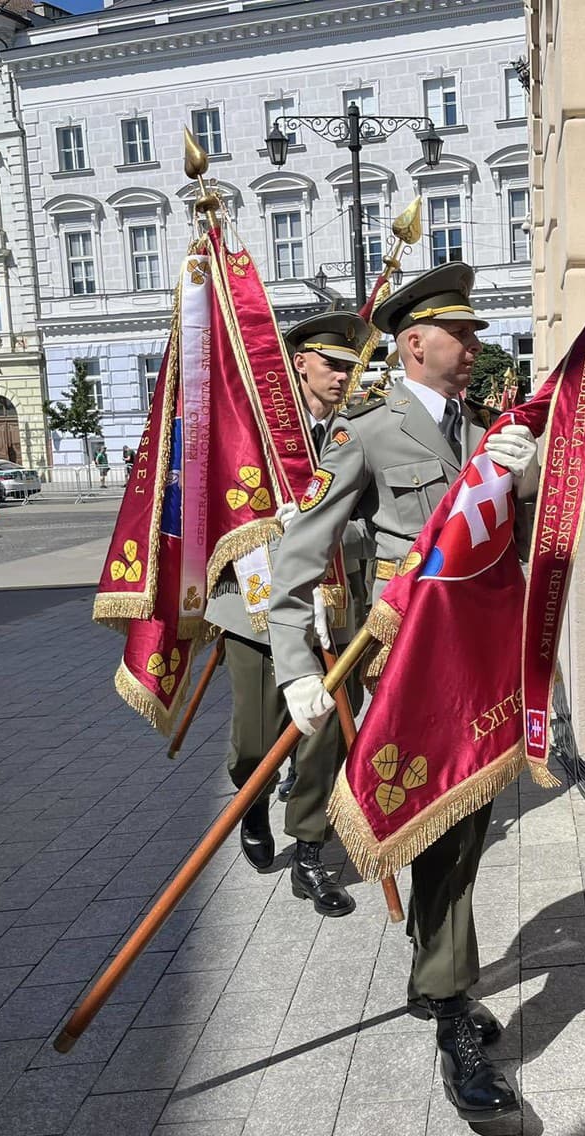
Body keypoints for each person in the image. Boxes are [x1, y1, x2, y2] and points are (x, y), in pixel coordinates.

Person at [267, 263, 538, 1123]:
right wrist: (296, 666)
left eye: (476, 338)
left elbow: (507, 546)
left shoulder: (483, 430)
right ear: (415, 343)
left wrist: (520, 479)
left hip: (479, 660)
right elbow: (301, 551)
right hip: (407, 665)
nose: (476, 352)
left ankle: (438, 982)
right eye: (463, 338)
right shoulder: (370, 433)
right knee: (449, 835)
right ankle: (452, 1009)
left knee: (460, 830)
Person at [204, 310, 371, 918]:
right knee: (256, 736)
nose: (344, 378)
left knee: (322, 735)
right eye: (334, 365)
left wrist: (322, 541)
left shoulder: (357, 433)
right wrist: (275, 531)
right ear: (300, 362)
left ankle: (308, 852)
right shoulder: (255, 432)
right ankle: (250, 798)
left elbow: (369, 524)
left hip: (330, 607)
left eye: (352, 368)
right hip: (253, 605)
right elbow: (221, 512)